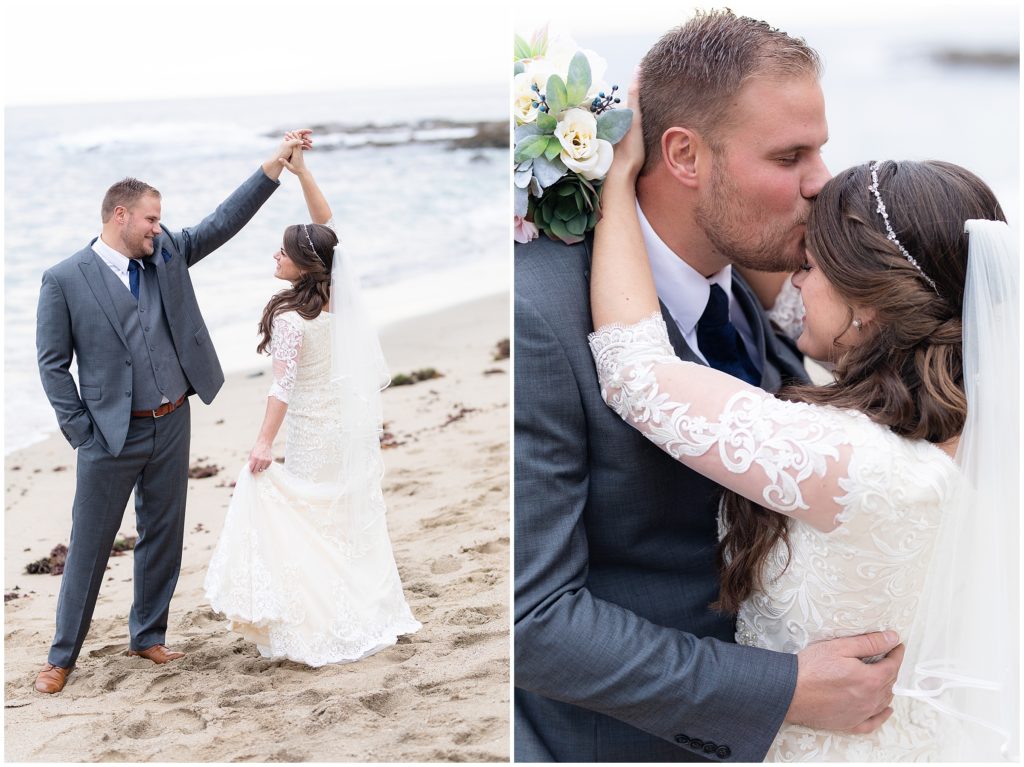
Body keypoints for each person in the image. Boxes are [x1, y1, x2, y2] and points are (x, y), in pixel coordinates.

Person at [515, 10, 904, 762]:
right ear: (685, 155)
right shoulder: (541, 317)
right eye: (791, 155)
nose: (822, 182)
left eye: (819, 148)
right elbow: (532, 616)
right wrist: (778, 688)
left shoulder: (760, 280)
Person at [588, 82, 1018, 760]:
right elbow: (807, 318)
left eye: (809, 264)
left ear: (869, 303)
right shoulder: (970, 416)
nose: (793, 281)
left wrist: (613, 178)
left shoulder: (856, 463)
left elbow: (636, 371)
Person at [34, 131, 310, 694]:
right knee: (89, 547)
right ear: (120, 216)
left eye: (160, 221)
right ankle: (62, 657)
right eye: (150, 220)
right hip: (108, 435)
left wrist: (273, 168)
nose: (159, 228)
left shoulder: (167, 254)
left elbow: (221, 222)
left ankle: (147, 635)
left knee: (164, 533)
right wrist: (82, 431)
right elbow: (52, 364)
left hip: (172, 419)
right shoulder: (64, 280)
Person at [203, 134, 421, 666]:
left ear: (302, 263)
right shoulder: (331, 301)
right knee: (337, 523)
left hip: (310, 432)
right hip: (342, 428)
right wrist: (300, 174)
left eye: (283, 249)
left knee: (310, 525)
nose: (275, 254)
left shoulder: (289, 319)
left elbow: (281, 388)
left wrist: (261, 445)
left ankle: (325, 622)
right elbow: (330, 234)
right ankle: (352, 611)